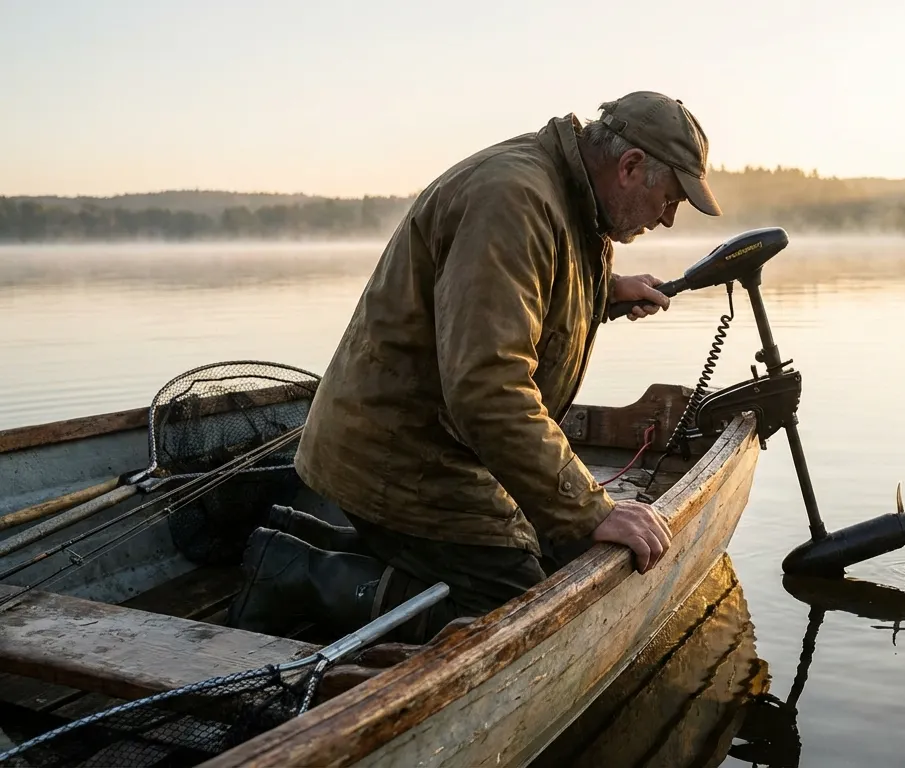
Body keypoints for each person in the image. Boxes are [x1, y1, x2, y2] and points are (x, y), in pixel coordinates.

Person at [225, 91, 723, 643]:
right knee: (516, 609)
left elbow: (513, 294)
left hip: (443, 448)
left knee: (546, 548)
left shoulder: (572, 200)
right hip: (402, 459)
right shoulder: (513, 200)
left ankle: (301, 537)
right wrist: (588, 510)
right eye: (671, 198)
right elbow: (488, 388)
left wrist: (605, 291)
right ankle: (290, 573)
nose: (670, 220)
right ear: (631, 167)